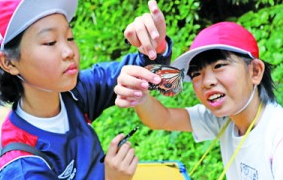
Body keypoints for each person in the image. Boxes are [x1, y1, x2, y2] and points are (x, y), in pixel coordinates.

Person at [0, 0, 172, 179]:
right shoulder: (22, 166)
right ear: (8, 63)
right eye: (50, 42)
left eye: (70, 37)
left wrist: (155, 47)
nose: (69, 52)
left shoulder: (77, 93)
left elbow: (141, 71)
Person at [114, 21, 283, 179]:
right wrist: (138, 93)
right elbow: (163, 119)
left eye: (219, 66)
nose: (207, 82)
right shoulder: (224, 120)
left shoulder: (277, 136)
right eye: (196, 74)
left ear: (255, 71)